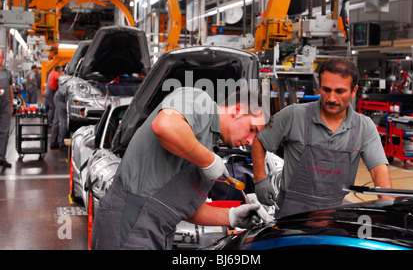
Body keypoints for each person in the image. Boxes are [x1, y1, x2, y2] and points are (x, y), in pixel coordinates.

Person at [91, 87, 268, 250]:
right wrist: (207, 160)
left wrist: (231, 216)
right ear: (237, 110)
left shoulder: (209, 143)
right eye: (252, 129)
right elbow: (164, 125)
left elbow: (178, 208)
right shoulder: (199, 100)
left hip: (156, 233)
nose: (250, 142)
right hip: (128, 226)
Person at [252, 57, 393, 218]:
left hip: (333, 214)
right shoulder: (293, 115)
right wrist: (260, 180)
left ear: (354, 91)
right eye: (326, 90)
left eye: (340, 91)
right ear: (319, 87)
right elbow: (260, 140)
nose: (331, 98)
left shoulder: (364, 127)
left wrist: (387, 206)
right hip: (290, 214)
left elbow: (378, 169)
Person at [0, 50, 13, 168]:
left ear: (3, 58)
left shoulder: (7, 73)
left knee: (4, 132)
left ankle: (1, 157)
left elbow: (10, 90)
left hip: (5, 105)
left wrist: (12, 105)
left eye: (0, 57)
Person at [50, 75, 68, 150]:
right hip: (61, 98)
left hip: (58, 96)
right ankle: (62, 144)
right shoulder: (71, 78)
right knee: (63, 121)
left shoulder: (66, 77)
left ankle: (53, 143)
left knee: (56, 121)